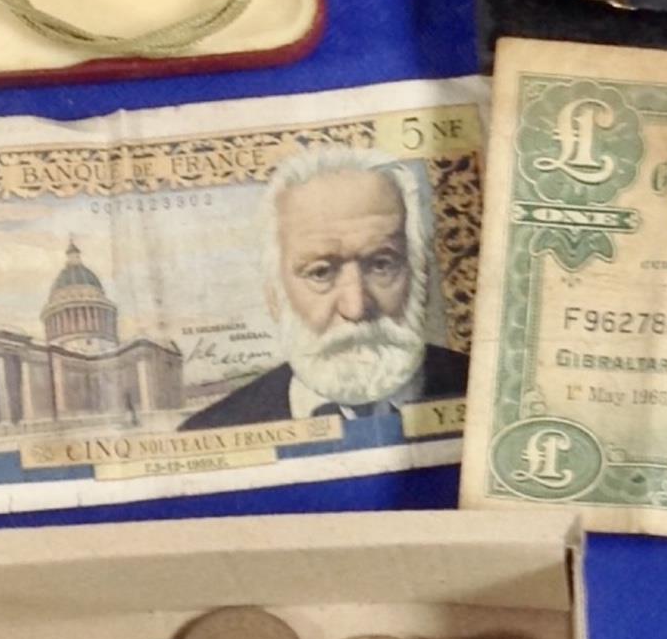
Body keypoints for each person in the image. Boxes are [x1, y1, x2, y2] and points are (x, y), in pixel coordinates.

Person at [180, 152, 467, 433]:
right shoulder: (211, 430)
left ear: (421, 276)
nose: (355, 308)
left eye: (381, 265)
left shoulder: (491, 393)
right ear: (274, 296)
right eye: (320, 272)